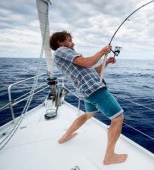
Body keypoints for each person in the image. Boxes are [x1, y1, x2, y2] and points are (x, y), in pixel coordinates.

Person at [49, 30, 127, 165]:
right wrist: (102, 51)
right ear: (60, 42)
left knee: (88, 115)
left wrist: (106, 61)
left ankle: (65, 137)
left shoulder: (67, 56)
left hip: (86, 92)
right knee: (118, 118)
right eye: (69, 40)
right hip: (94, 89)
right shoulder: (62, 50)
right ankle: (109, 156)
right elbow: (87, 63)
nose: (73, 43)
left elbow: (93, 70)